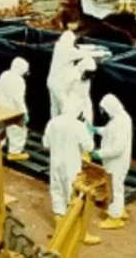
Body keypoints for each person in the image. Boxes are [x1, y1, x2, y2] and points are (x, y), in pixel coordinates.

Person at [43, 98, 100, 245]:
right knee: (76, 198)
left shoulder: (53, 123)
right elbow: (89, 146)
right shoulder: (77, 126)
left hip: (55, 164)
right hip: (72, 166)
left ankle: (60, 228)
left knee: (57, 193)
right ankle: (80, 233)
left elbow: (45, 143)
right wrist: (86, 130)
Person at [88, 94, 133, 230]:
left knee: (114, 188)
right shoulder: (119, 118)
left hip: (116, 163)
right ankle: (119, 210)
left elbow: (117, 148)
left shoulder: (121, 122)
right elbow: (109, 131)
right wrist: (96, 129)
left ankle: (115, 218)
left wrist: (99, 153)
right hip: (115, 163)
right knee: (117, 186)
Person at [0, 57, 30, 161]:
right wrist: (24, 113)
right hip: (13, 110)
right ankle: (14, 152)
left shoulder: (4, 74)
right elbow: (19, 100)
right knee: (18, 131)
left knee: (0, 129)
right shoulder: (19, 80)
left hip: (0, 107)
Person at [46, 30, 88, 119]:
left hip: (51, 81)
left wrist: (94, 47)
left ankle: (53, 128)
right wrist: (102, 53)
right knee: (65, 107)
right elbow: (84, 53)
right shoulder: (68, 52)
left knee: (54, 108)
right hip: (59, 84)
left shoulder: (59, 47)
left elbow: (79, 48)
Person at [65, 56, 97, 125]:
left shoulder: (87, 80)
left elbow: (85, 95)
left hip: (84, 104)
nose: (90, 77)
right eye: (88, 74)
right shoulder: (71, 75)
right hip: (71, 105)